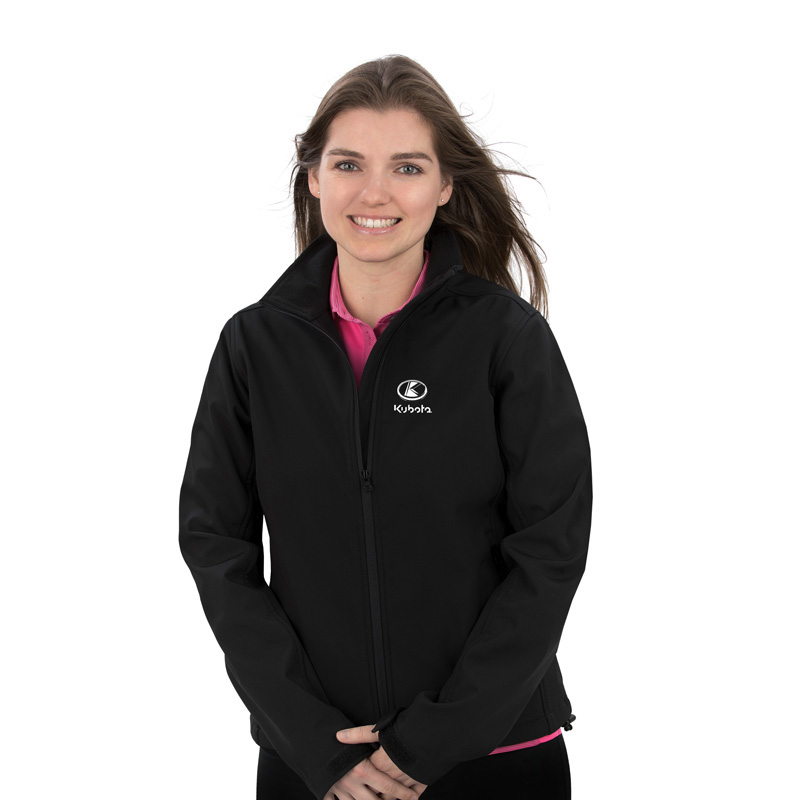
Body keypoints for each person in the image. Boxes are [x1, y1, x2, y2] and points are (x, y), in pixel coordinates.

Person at [179, 55, 592, 800]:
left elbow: (551, 552)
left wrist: (435, 738)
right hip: (317, 763)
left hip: (496, 755)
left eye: (407, 167)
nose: (375, 193)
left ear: (445, 185)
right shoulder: (254, 347)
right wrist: (309, 737)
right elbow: (216, 547)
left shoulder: (506, 339)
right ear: (313, 176)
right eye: (348, 164)